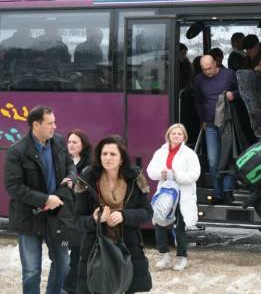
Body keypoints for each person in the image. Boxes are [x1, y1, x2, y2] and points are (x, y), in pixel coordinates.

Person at [4, 105, 76, 294]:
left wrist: (71, 178)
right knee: (31, 271)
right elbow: (14, 187)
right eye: (50, 123)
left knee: (64, 264)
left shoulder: (59, 142)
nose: (54, 126)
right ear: (36, 125)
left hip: (58, 216)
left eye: (54, 122)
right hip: (29, 217)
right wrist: (44, 199)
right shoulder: (16, 151)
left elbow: (70, 165)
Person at [75, 135, 153, 293]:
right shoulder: (87, 179)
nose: (108, 158)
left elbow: (147, 212)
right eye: (104, 154)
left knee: (128, 287)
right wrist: (94, 219)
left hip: (129, 247)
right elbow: (77, 219)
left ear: (122, 158)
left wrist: (124, 216)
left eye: (113, 154)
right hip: (96, 249)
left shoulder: (135, 178)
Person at [147, 123, 200, 271]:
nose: (176, 136)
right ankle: (164, 256)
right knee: (159, 224)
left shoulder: (190, 154)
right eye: (173, 133)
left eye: (179, 134)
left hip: (182, 196)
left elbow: (195, 174)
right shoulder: (160, 152)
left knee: (180, 226)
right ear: (168, 136)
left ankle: (182, 258)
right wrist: (161, 173)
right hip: (165, 195)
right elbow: (151, 171)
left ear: (184, 136)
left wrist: (177, 176)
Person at [194, 55, 238, 204]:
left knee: (228, 157)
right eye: (204, 69)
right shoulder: (199, 80)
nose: (208, 72)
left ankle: (227, 191)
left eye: (210, 68)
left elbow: (243, 91)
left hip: (227, 122)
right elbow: (198, 102)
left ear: (215, 63)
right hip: (210, 124)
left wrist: (234, 95)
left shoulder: (229, 74)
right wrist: (202, 120)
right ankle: (218, 192)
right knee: (213, 161)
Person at [63, 129, 93, 294]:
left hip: (81, 214)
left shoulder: (89, 165)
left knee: (77, 254)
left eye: (75, 142)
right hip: (64, 214)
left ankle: (72, 288)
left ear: (83, 144)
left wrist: (74, 185)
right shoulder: (64, 161)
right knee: (64, 256)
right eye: (69, 142)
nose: (71, 145)